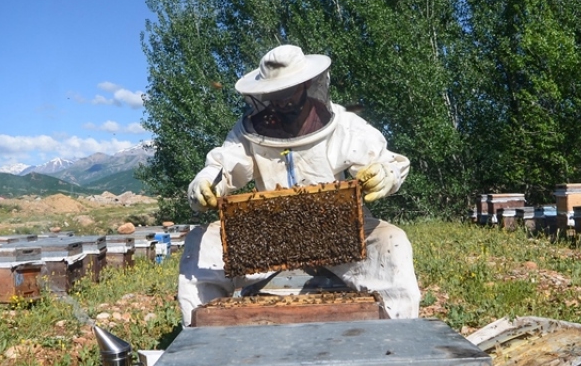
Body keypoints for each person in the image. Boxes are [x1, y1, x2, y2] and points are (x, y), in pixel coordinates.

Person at [177, 44, 421, 324]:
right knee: (201, 243)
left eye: (287, 93)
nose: (280, 102)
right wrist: (205, 183)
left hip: (338, 230)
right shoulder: (248, 131)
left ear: (306, 84)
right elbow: (223, 166)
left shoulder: (345, 125)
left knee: (393, 243)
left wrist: (384, 174)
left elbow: (388, 162)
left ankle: (399, 333)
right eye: (273, 95)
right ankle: (200, 337)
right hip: (270, 233)